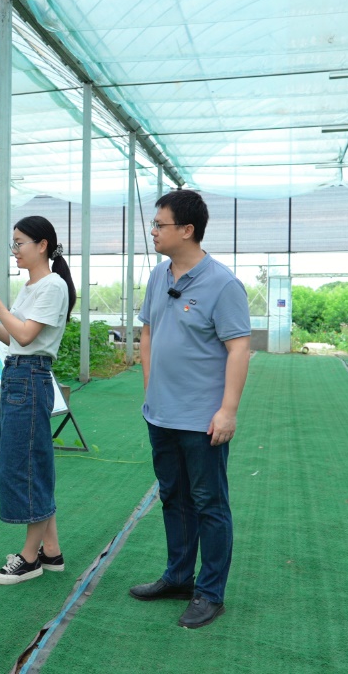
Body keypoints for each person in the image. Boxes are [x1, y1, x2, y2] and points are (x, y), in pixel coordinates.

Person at [130, 189, 251, 629]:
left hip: (202, 420)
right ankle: (178, 578)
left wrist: (228, 410)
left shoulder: (223, 283)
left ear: (187, 229)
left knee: (209, 504)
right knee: (173, 498)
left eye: (160, 225)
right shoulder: (158, 276)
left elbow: (239, 348)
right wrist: (151, 389)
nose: (154, 231)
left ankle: (210, 593)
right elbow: (147, 333)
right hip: (159, 414)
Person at [0, 216, 76, 585]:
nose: (14, 251)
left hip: (29, 377)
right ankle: (52, 551)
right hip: (18, 373)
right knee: (31, 462)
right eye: (13, 244)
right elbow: (13, 337)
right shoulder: (32, 287)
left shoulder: (52, 285)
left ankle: (29, 558)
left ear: (42, 245)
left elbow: (28, 336)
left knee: (24, 466)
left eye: (19, 243)